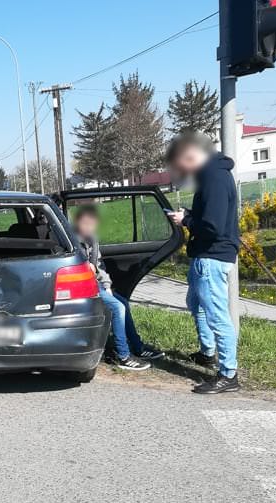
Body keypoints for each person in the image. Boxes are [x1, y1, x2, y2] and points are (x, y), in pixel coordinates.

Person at [165, 132, 240, 394]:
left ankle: (228, 374)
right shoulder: (210, 174)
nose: (180, 170)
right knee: (196, 304)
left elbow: (213, 227)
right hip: (206, 256)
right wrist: (189, 214)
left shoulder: (214, 178)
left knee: (217, 316)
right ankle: (207, 353)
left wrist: (186, 221)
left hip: (212, 257)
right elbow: (210, 216)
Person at [74, 204, 164, 371]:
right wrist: (88, 270)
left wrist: (107, 285)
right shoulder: (73, 241)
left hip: (97, 283)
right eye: (85, 223)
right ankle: (123, 355)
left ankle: (138, 347)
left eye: (92, 223)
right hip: (83, 285)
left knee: (123, 302)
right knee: (118, 308)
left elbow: (99, 266)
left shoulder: (92, 239)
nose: (89, 227)